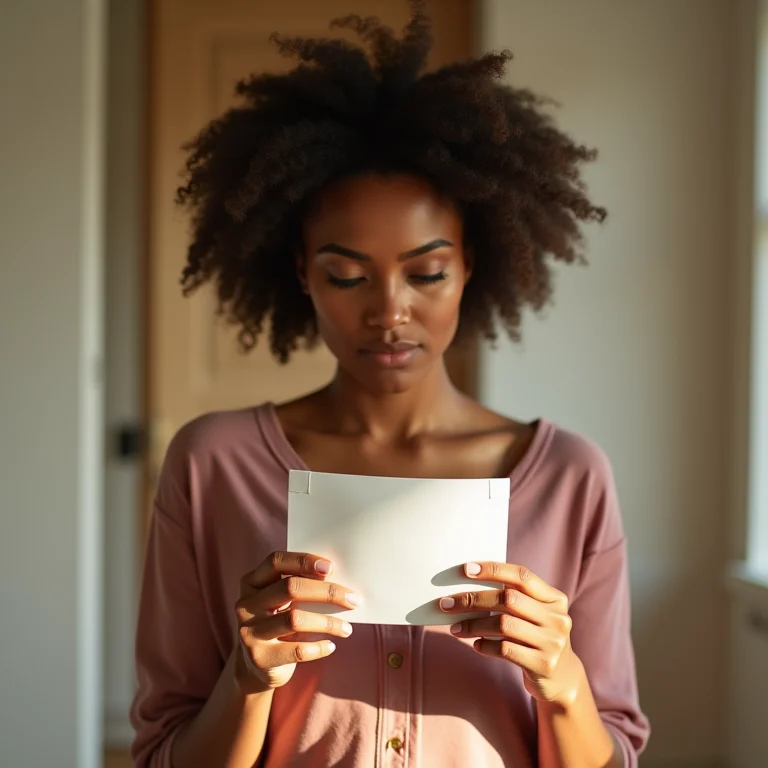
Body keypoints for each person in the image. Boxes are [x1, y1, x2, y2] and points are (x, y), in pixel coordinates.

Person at [130, 2, 650, 766]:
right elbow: (162, 754)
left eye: (427, 272)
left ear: (473, 264)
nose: (388, 311)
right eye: (346, 275)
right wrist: (247, 680)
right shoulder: (212, 466)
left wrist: (561, 680)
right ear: (301, 272)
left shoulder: (571, 478)